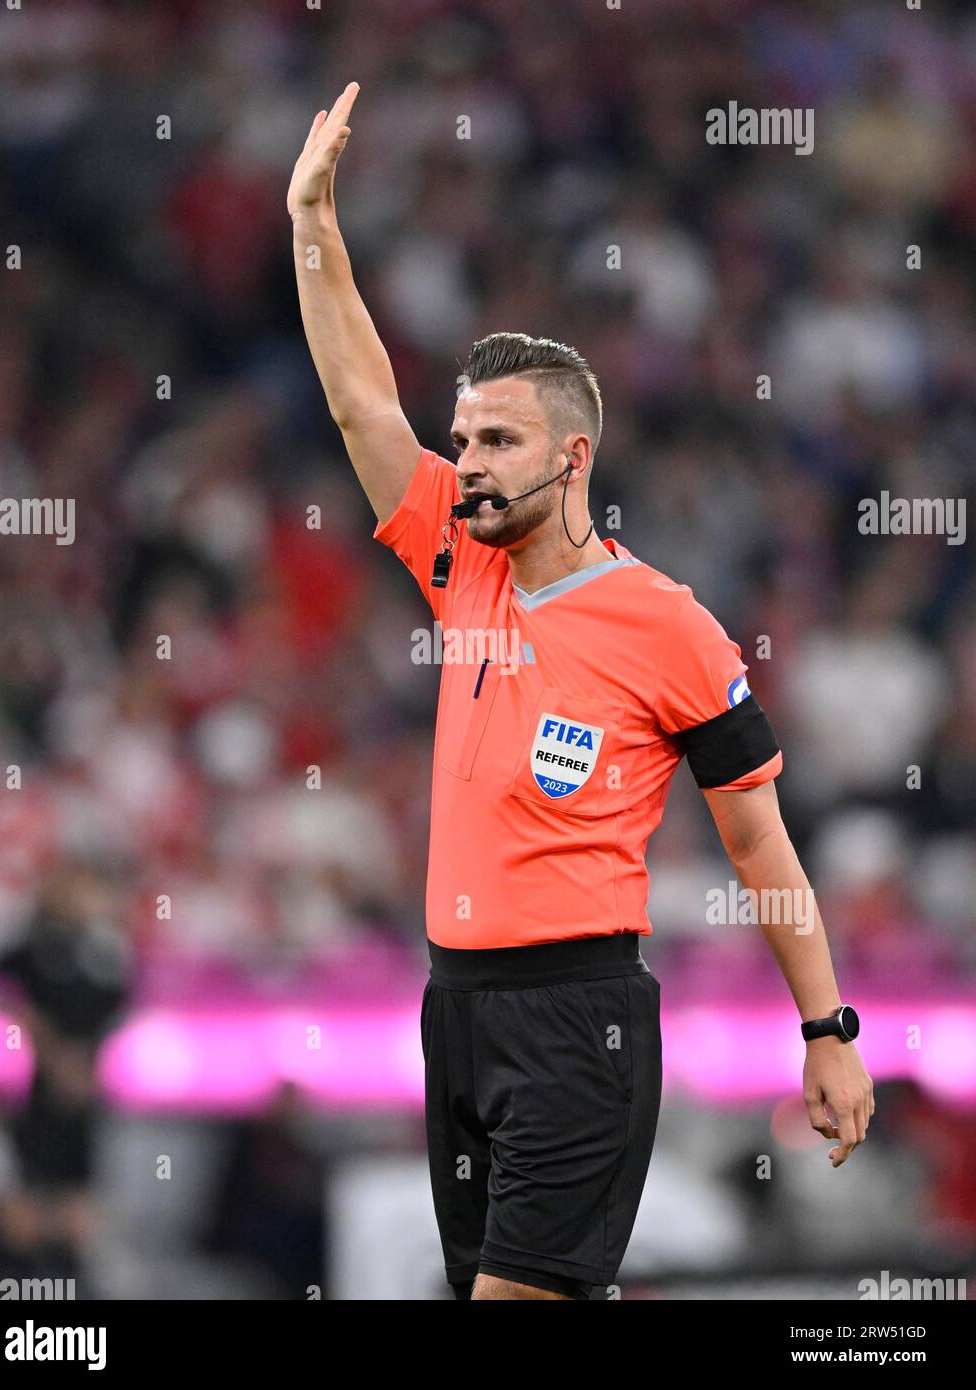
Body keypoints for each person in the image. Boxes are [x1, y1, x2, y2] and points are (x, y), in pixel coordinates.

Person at [287, 83, 875, 1302]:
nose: (465, 464)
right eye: (460, 438)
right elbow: (357, 398)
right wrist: (313, 227)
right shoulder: (457, 559)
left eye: (494, 442)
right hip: (452, 1011)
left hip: (579, 1020)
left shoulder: (665, 622)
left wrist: (826, 1033)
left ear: (572, 457)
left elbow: (758, 837)